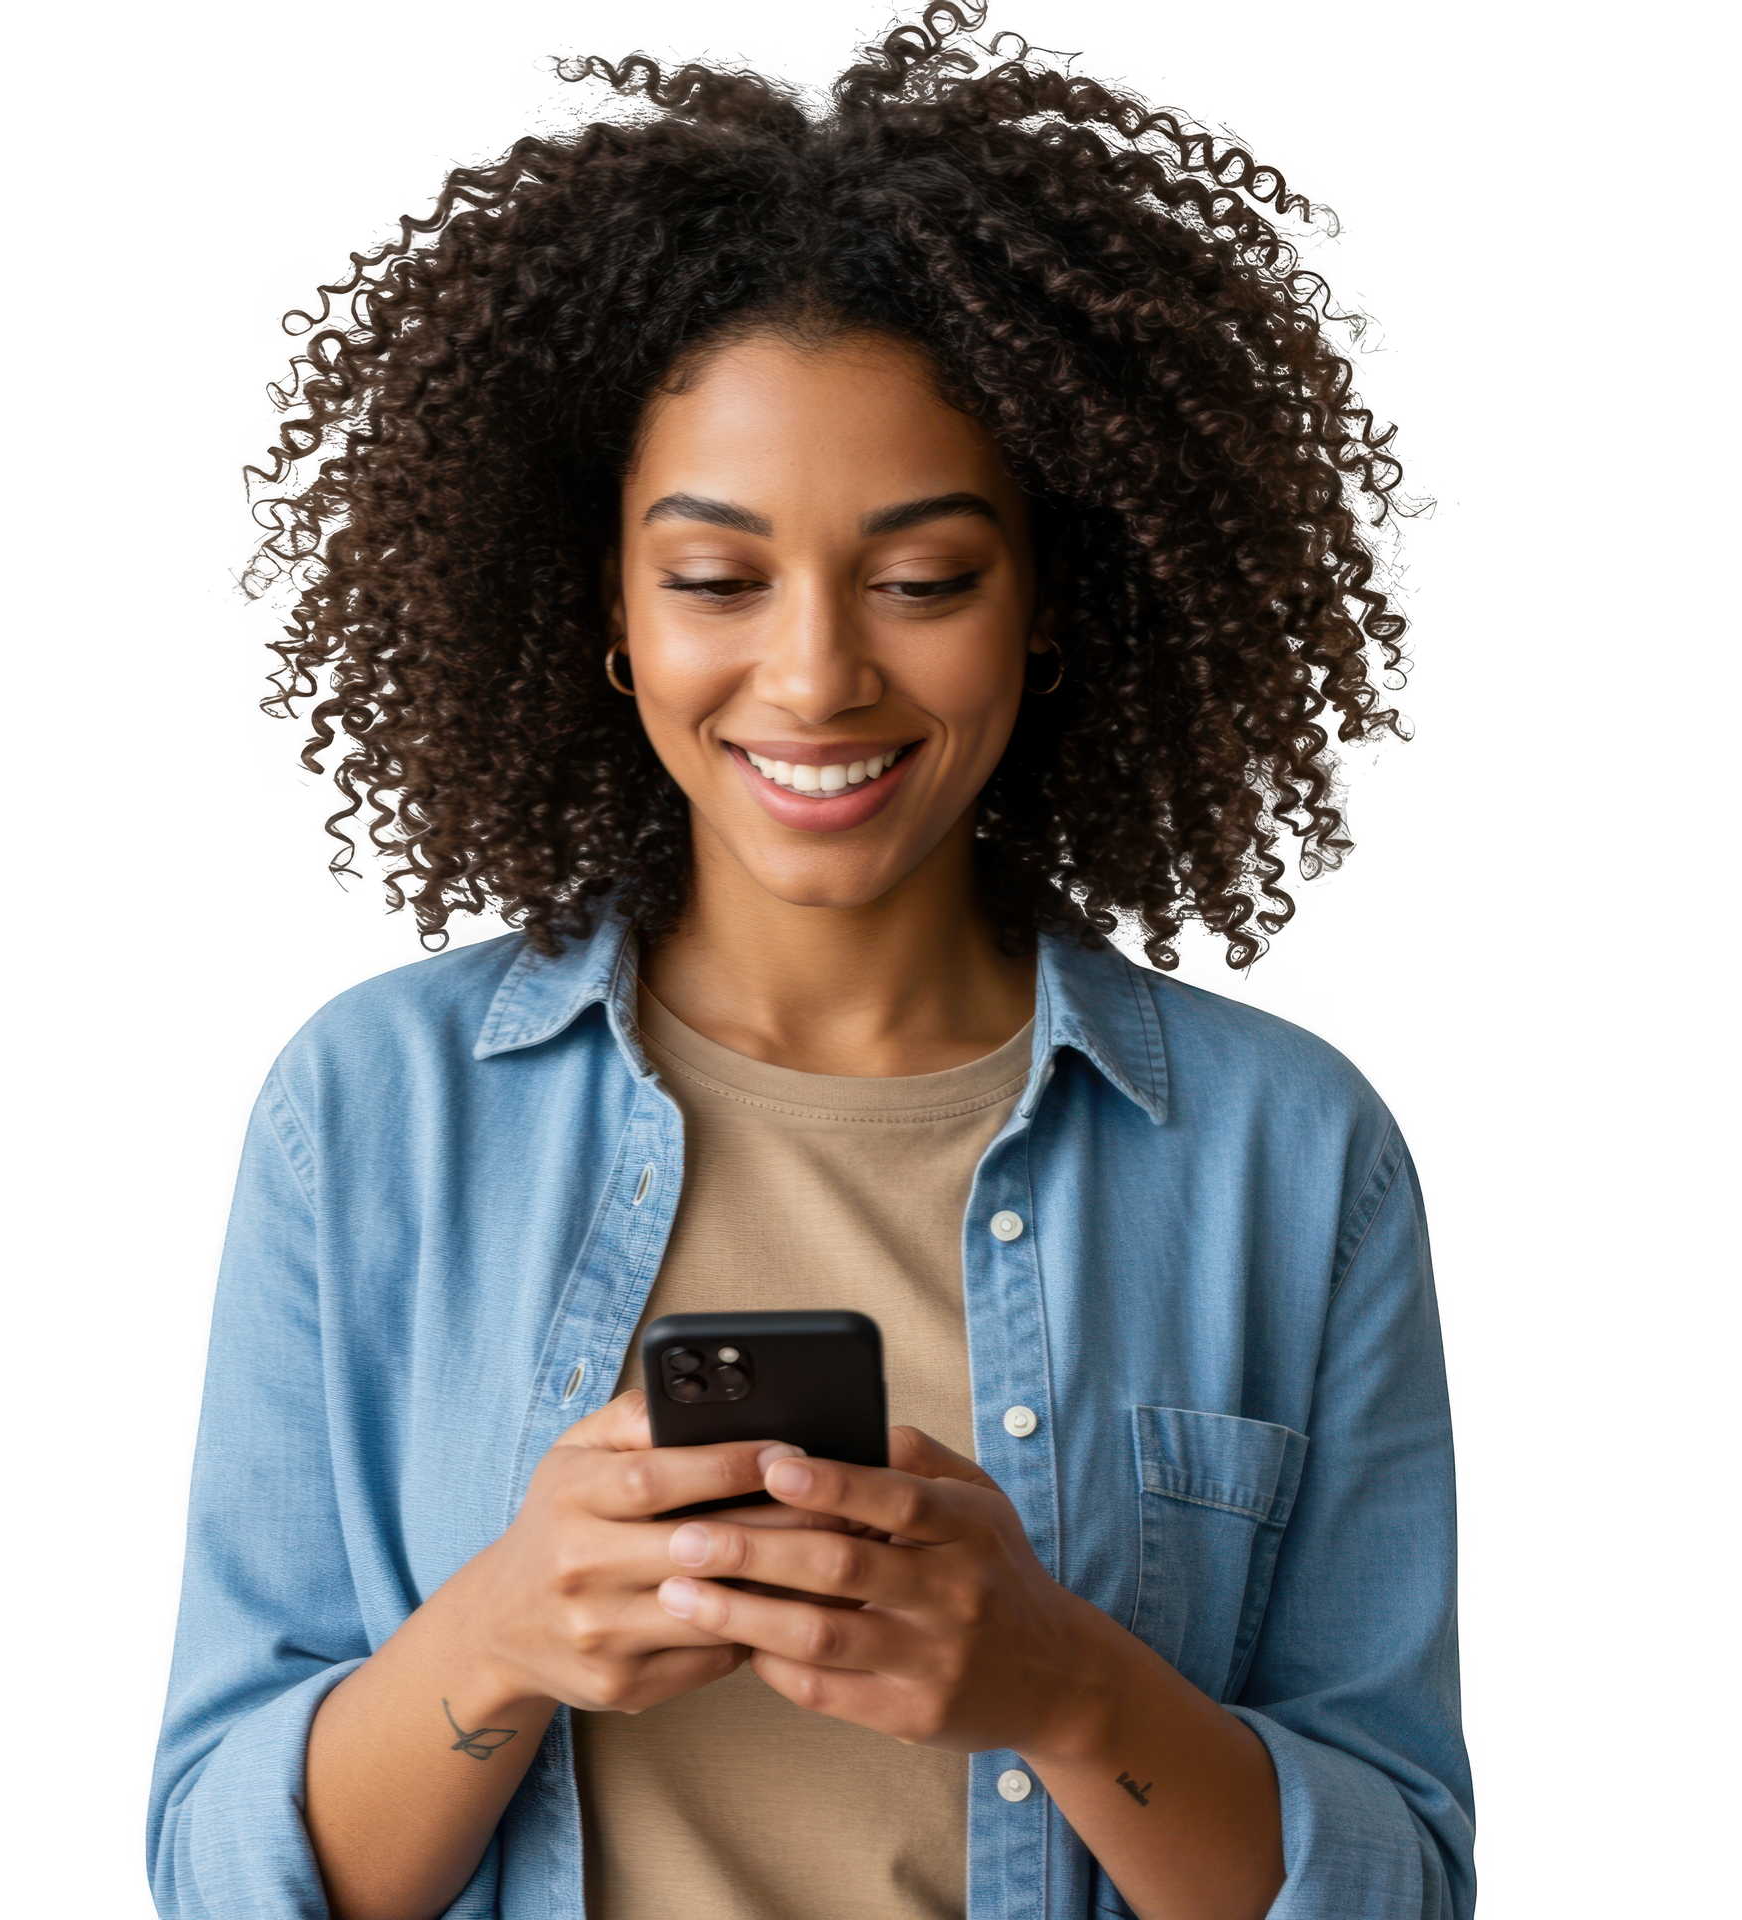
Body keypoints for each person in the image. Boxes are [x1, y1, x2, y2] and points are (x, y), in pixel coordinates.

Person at [145, 7, 1473, 1918]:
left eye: (924, 580)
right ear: (606, 606)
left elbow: (1406, 1880)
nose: (818, 674)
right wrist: (499, 1639)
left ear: (1053, 602)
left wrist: (1061, 1682)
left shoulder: (1291, 1152)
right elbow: (212, 1870)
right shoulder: (368, 1112)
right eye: (715, 578)